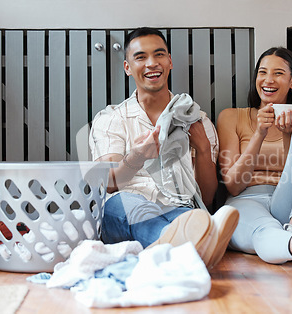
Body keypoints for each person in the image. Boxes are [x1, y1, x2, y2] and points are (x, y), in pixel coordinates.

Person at [89, 27, 239, 270]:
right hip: (124, 209)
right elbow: (109, 183)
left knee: (190, 217)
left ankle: (189, 245)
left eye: (159, 55)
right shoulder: (112, 119)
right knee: (129, 204)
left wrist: (202, 148)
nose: (151, 63)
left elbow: (208, 196)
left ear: (169, 62)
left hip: (176, 207)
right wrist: (136, 157)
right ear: (128, 68)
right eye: (140, 57)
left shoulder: (196, 120)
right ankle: (195, 245)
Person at [216, 47, 292, 275]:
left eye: (278, 73)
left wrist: (288, 134)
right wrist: (260, 132)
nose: (268, 80)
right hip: (246, 200)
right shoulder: (232, 116)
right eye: (263, 72)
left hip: (289, 204)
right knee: (264, 229)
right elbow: (234, 185)